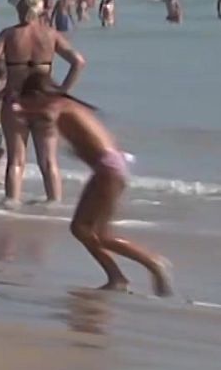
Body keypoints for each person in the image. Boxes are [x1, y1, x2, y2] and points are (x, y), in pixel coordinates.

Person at [13, 73, 174, 296]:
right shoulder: (71, 107)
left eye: (27, 99)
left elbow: (48, 115)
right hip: (110, 167)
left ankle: (152, 263)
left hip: (109, 169)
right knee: (82, 229)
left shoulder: (59, 106)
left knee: (99, 233)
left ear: (38, 95)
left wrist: (21, 111)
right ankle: (117, 278)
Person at [0, 0, 86, 206]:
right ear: (41, 9)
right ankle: (54, 205)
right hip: (45, 102)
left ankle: (11, 204)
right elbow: (79, 62)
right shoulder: (50, 34)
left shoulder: (9, 35)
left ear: (19, 8)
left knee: (16, 161)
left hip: (15, 101)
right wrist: (62, 90)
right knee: (48, 161)